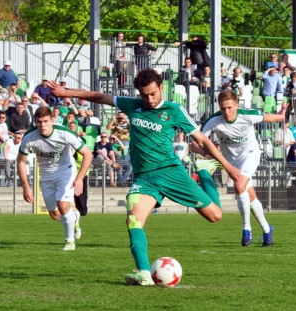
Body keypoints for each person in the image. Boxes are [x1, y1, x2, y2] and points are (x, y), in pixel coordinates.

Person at [46, 69, 241, 285]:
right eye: (144, 95)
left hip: (171, 172)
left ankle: (204, 171)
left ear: (161, 88)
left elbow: (202, 140)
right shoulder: (133, 105)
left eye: (153, 94)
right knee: (133, 219)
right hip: (144, 179)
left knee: (215, 215)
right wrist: (68, 92)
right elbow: (100, 96)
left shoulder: (174, 110)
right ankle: (145, 273)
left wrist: (229, 167)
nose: (149, 99)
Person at [196, 90, 284, 246]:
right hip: (231, 161)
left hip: (250, 154)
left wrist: (282, 115)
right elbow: (196, 142)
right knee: (249, 195)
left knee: (239, 185)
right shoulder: (213, 121)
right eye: (223, 108)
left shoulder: (247, 115)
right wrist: (203, 150)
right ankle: (266, 229)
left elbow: (269, 118)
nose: (226, 112)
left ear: (237, 105)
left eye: (230, 107)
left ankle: (246, 230)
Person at [17, 107, 93, 250]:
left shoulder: (64, 132)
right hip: (46, 175)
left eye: (46, 121)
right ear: (35, 122)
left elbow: (88, 154)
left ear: (52, 120)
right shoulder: (29, 137)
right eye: (39, 122)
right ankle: (74, 218)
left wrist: (79, 178)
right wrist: (26, 186)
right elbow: (20, 161)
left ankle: (69, 242)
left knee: (63, 205)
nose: (42, 125)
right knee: (55, 214)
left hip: (66, 171)